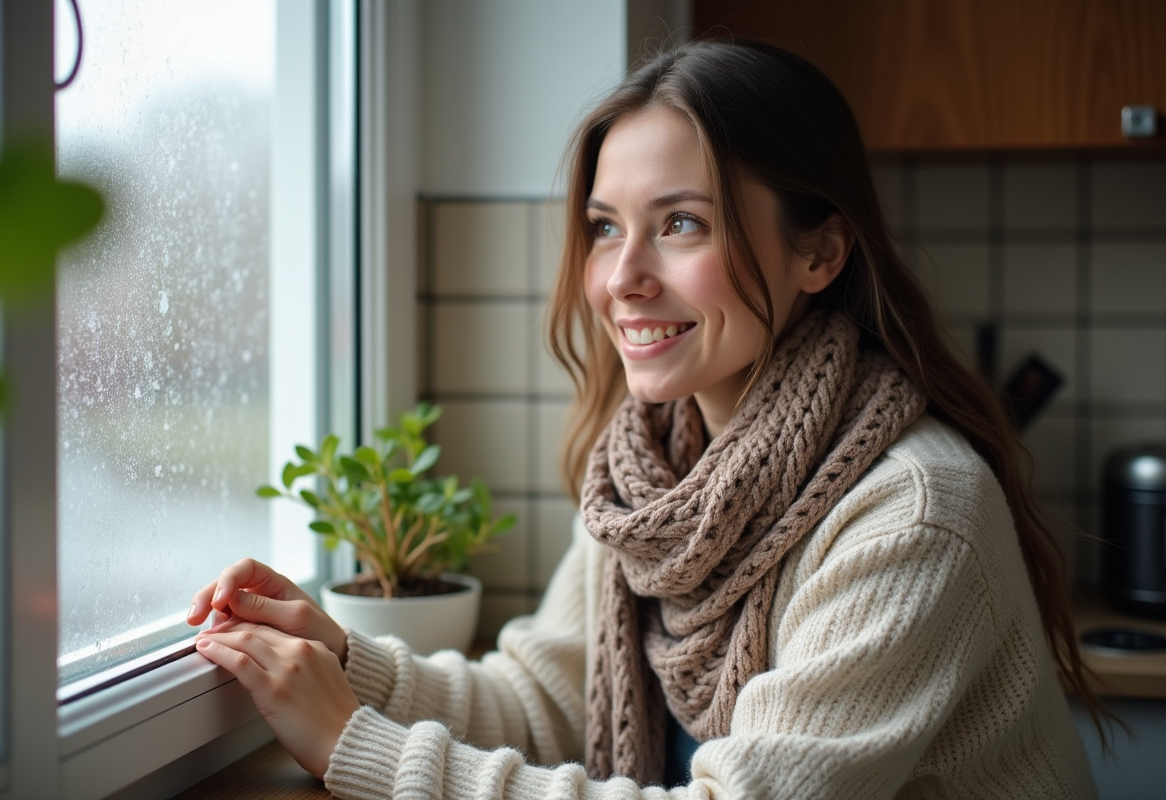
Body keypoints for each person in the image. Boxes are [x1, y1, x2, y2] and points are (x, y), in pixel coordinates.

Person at [187, 39, 1104, 798]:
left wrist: (361, 747)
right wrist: (345, 661)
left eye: (681, 225)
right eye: (604, 226)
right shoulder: (656, 478)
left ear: (820, 250)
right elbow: (545, 703)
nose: (622, 278)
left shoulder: (911, 512)